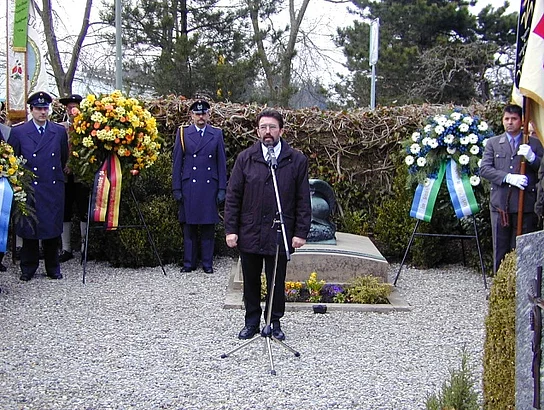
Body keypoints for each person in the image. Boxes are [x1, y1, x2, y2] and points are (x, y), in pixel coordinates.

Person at [224, 108, 311, 341]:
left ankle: (273, 321)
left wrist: (300, 232)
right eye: (263, 127)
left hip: (279, 232)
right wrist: (231, 230)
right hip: (250, 230)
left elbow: (303, 199)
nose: (268, 132)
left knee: (276, 281)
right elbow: (233, 197)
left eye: (272, 127)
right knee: (251, 280)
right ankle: (251, 321)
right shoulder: (245, 158)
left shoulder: (296, 160)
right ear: (257, 131)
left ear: (281, 130)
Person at [8, 91, 69, 281]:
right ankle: (28, 267)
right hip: (30, 188)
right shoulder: (18, 132)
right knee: (30, 229)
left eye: (45, 108)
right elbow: (13, 160)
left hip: (52, 185)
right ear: (31, 110)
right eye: (39, 109)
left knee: (52, 228)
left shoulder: (58, 131)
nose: (43, 112)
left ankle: (53, 267)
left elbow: (63, 157)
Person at [480, 104, 543, 274]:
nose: (509, 122)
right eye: (506, 119)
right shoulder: (493, 143)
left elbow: (542, 170)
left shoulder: (534, 144)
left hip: (525, 205)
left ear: (522, 121)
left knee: (523, 250)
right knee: (500, 249)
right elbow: (484, 169)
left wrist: (532, 158)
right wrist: (507, 177)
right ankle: (499, 285)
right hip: (500, 205)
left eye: (514, 119)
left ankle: (521, 286)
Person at [172, 100, 227, 274]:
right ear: (191, 115)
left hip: (209, 186)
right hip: (189, 186)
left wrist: (222, 188)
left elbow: (221, 163)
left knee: (208, 228)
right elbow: (177, 163)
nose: (201, 117)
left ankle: (207, 263)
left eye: (203, 114)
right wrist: (176, 188)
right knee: (189, 228)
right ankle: (189, 263)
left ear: (209, 115)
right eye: (197, 114)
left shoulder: (216, 134)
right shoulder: (183, 133)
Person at [58, 94, 89, 262]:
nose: (72, 111)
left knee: (83, 210)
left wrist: (74, 165)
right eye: (69, 108)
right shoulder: (60, 128)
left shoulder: (87, 127)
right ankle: (66, 248)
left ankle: (84, 247)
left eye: (75, 107)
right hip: (63, 177)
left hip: (81, 177)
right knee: (65, 211)